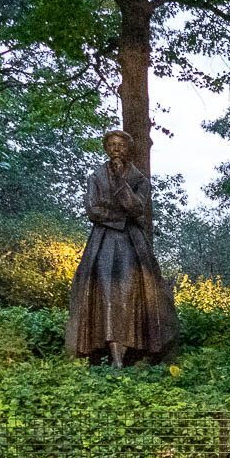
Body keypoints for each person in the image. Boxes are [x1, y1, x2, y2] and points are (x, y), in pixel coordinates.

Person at [66, 130, 177, 367]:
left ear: (128, 150)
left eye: (121, 145)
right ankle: (108, 355)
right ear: (106, 148)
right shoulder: (95, 177)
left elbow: (137, 207)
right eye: (112, 144)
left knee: (131, 294)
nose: (116, 149)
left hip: (131, 242)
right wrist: (121, 218)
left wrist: (120, 184)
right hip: (103, 241)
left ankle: (132, 355)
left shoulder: (139, 180)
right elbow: (93, 210)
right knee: (104, 293)